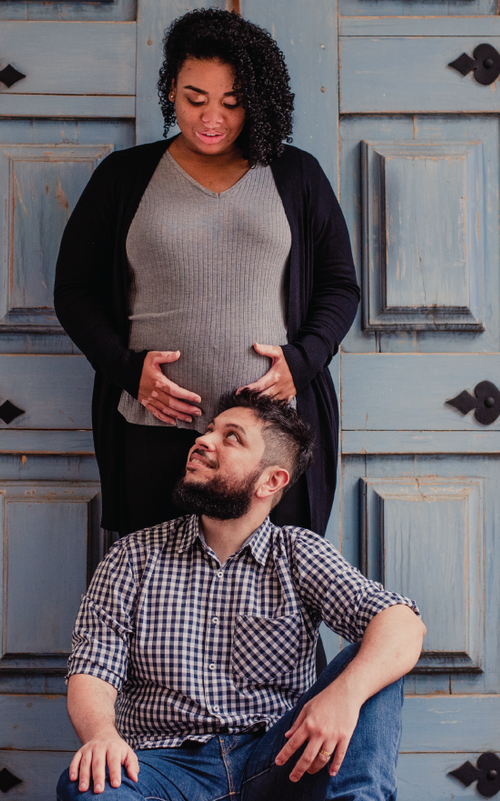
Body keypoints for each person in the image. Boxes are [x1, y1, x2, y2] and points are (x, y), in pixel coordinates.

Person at [53, 8, 360, 537]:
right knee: (156, 596)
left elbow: (340, 285)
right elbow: (74, 292)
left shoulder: (295, 174)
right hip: (152, 430)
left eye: (232, 103)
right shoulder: (124, 177)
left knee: (274, 598)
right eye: (195, 98)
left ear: (255, 103)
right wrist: (130, 373)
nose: (211, 118)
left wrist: (301, 362)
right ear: (171, 88)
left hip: (270, 435)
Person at [56, 390, 425, 801]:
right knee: (86, 785)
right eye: (209, 430)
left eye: (231, 437)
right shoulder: (133, 556)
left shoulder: (298, 553)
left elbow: (403, 624)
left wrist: (344, 696)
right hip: (164, 768)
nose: (203, 441)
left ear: (271, 480)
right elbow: (93, 668)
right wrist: (102, 736)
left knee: (374, 660)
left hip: (279, 760)